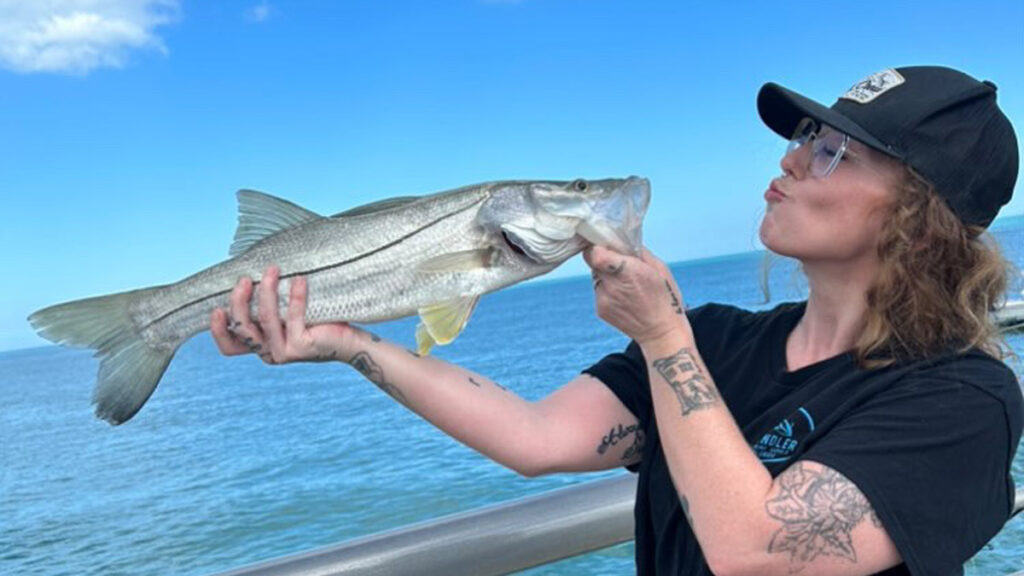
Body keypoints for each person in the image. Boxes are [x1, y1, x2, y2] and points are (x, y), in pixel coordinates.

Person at [209, 66, 1022, 576]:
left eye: (834, 152)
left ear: (920, 220)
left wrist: (663, 337)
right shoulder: (719, 339)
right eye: (806, 135)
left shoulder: (962, 402)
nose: (789, 160)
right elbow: (534, 438)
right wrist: (350, 343)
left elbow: (761, 554)